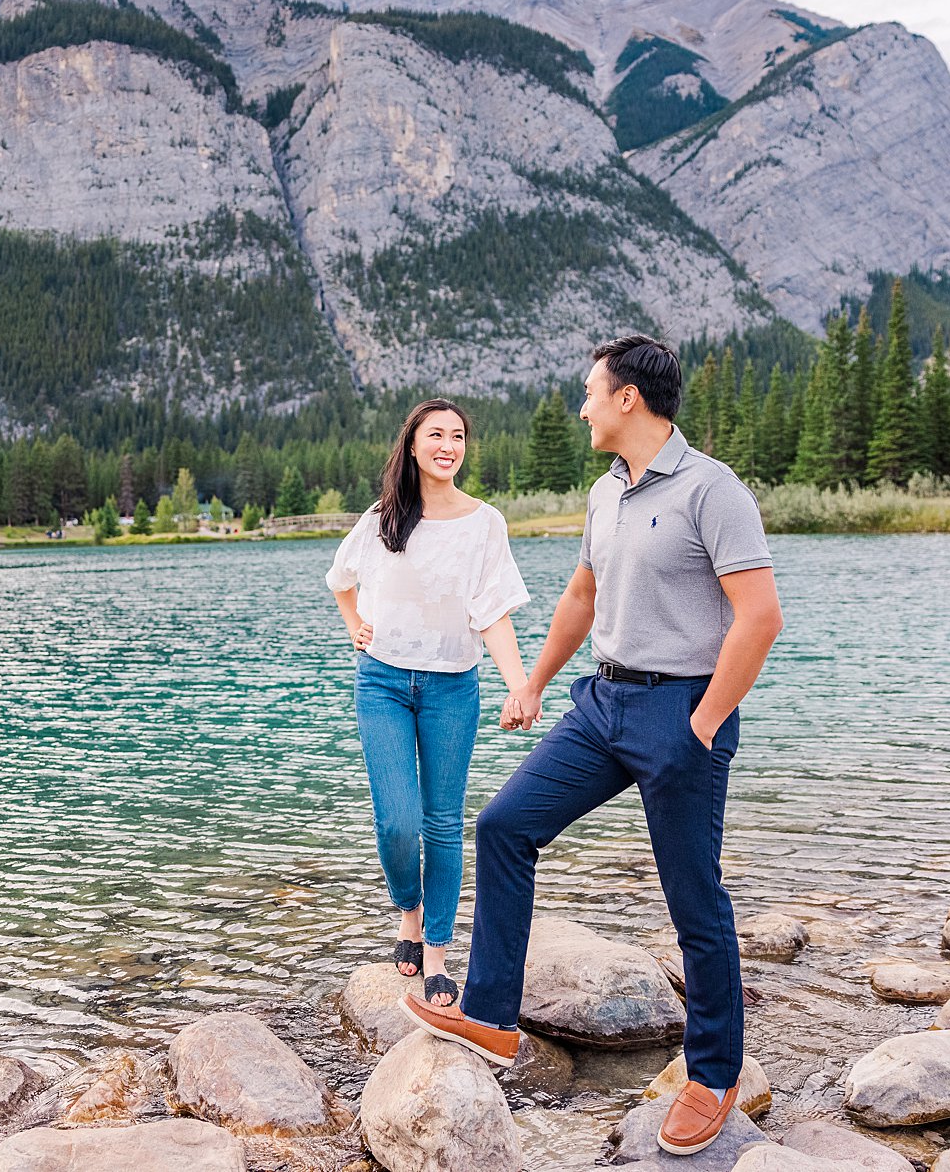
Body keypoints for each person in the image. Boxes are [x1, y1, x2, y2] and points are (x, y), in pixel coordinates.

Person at [404, 336, 783, 1159]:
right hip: (603, 703)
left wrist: (707, 722)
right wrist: (535, 683)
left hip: (682, 712)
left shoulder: (712, 490)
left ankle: (713, 1074)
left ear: (627, 400)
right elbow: (583, 592)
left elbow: (759, 619)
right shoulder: (605, 493)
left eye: (589, 391)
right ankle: (493, 1016)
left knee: (694, 899)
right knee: (506, 826)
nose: (580, 405)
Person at [327, 398, 531, 1009]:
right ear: (412, 446)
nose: (449, 445)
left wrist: (518, 683)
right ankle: (407, 912)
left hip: (451, 687)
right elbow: (341, 579)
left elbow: (491, 611)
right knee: (397, 821)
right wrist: (354, 623)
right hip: (382, 682)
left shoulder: (484, 524)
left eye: (459, 436)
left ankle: (436, 948)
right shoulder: (383, 517)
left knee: (443, 823)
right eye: (436, 434)